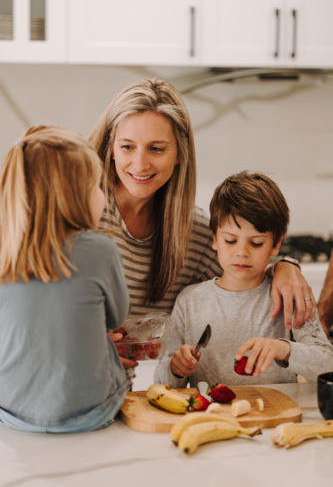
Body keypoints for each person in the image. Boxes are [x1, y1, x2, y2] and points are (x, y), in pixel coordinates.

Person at [89, 79, 316, 376]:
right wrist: (84, 345)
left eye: (156, 149)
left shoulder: (193, 234)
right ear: (111, 148)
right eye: (127, 147)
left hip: (116, 396)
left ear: (180, 153)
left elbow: (242, 271)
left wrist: (285, 266)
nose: (140, 163)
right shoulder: (78, 212)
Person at [0, 126, 130, 433]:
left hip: (10, 412)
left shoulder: (4, 249)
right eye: (97, 187)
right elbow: (117, 317)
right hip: (92, 412)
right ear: (73, 197)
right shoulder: (99, 249)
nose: (103, 196)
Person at [154, 171, 333, 387]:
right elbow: (163, 384)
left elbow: (328, 365)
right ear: (214, 239)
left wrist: (284, 349)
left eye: (256, 243)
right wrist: (176, 368)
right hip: (212, 417)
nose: (242, 252)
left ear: (276, 244)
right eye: (230, 240)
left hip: (277, 416)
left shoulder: (289, 296)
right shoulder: (189, 301)